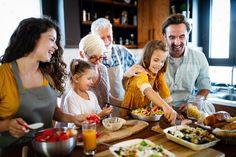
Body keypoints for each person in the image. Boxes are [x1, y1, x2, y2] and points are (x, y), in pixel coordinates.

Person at [0, 17, 86, 148]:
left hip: (47, 147)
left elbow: (52, 111)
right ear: (32, 37)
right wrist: (7, 125)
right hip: (12, 151)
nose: (56, 47)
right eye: (52, 39)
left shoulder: (47, 73)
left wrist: (73, 118)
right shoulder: (3, 75)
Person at [161, 14, 211, 111]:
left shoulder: (199, 58)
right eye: (172, 37)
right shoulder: (154, 57)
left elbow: (204, 87)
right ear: (164, 36)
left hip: (186, 111)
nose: (177, 42)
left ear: (188, 34)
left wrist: (194, 103)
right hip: (159, 111)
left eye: (182, 36)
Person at [121, 40, 177, 123]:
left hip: (144, 115)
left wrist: (171, 110)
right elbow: (147, 90)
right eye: (156, 60)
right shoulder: (140, 72)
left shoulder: (158, 74)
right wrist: (164, 106)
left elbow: (165, 92)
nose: (159, 65)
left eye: (162, 61)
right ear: (147, 57)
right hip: (128, 115)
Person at [91, 18, 137, 99]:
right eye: (102, 38)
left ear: (112, 33)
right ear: (94, 38)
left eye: (109, 36)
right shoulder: (92, 58)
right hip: (101, 108)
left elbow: (138, 68)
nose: (106, 41)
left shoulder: (122, 51)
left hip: (122, 103)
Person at [78, 34, 122, 109]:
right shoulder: (75, 74)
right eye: (93, 57)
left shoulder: (103, 69)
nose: (97, 62)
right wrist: (99, 115)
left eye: (101, 57)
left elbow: (107, 98)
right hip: (88, 120)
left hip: (106, 119)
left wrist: (125, 103)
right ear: (82, 54)